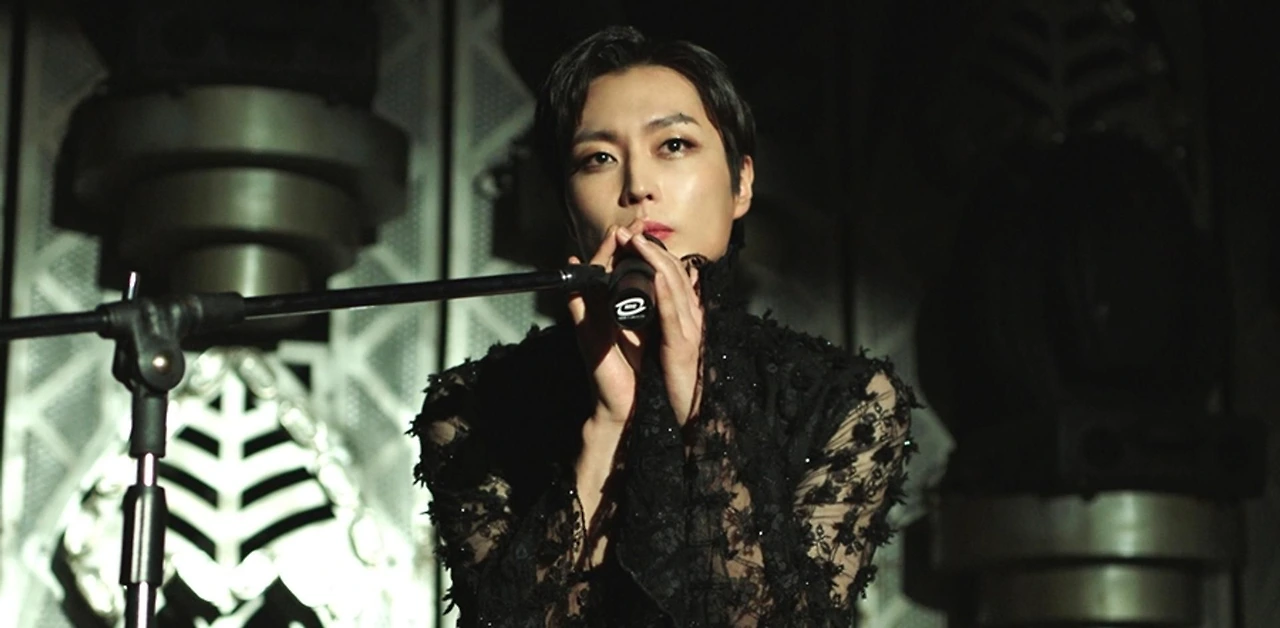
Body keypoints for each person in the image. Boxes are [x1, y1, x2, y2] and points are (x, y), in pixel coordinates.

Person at [410, 25, 917, 627]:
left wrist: (698, 406)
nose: (637, 187)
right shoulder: (475, 408)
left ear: (741, 184)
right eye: (598, 158)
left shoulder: (845, 400)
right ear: (568, 209)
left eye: (673, 145)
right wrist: (609, 424)